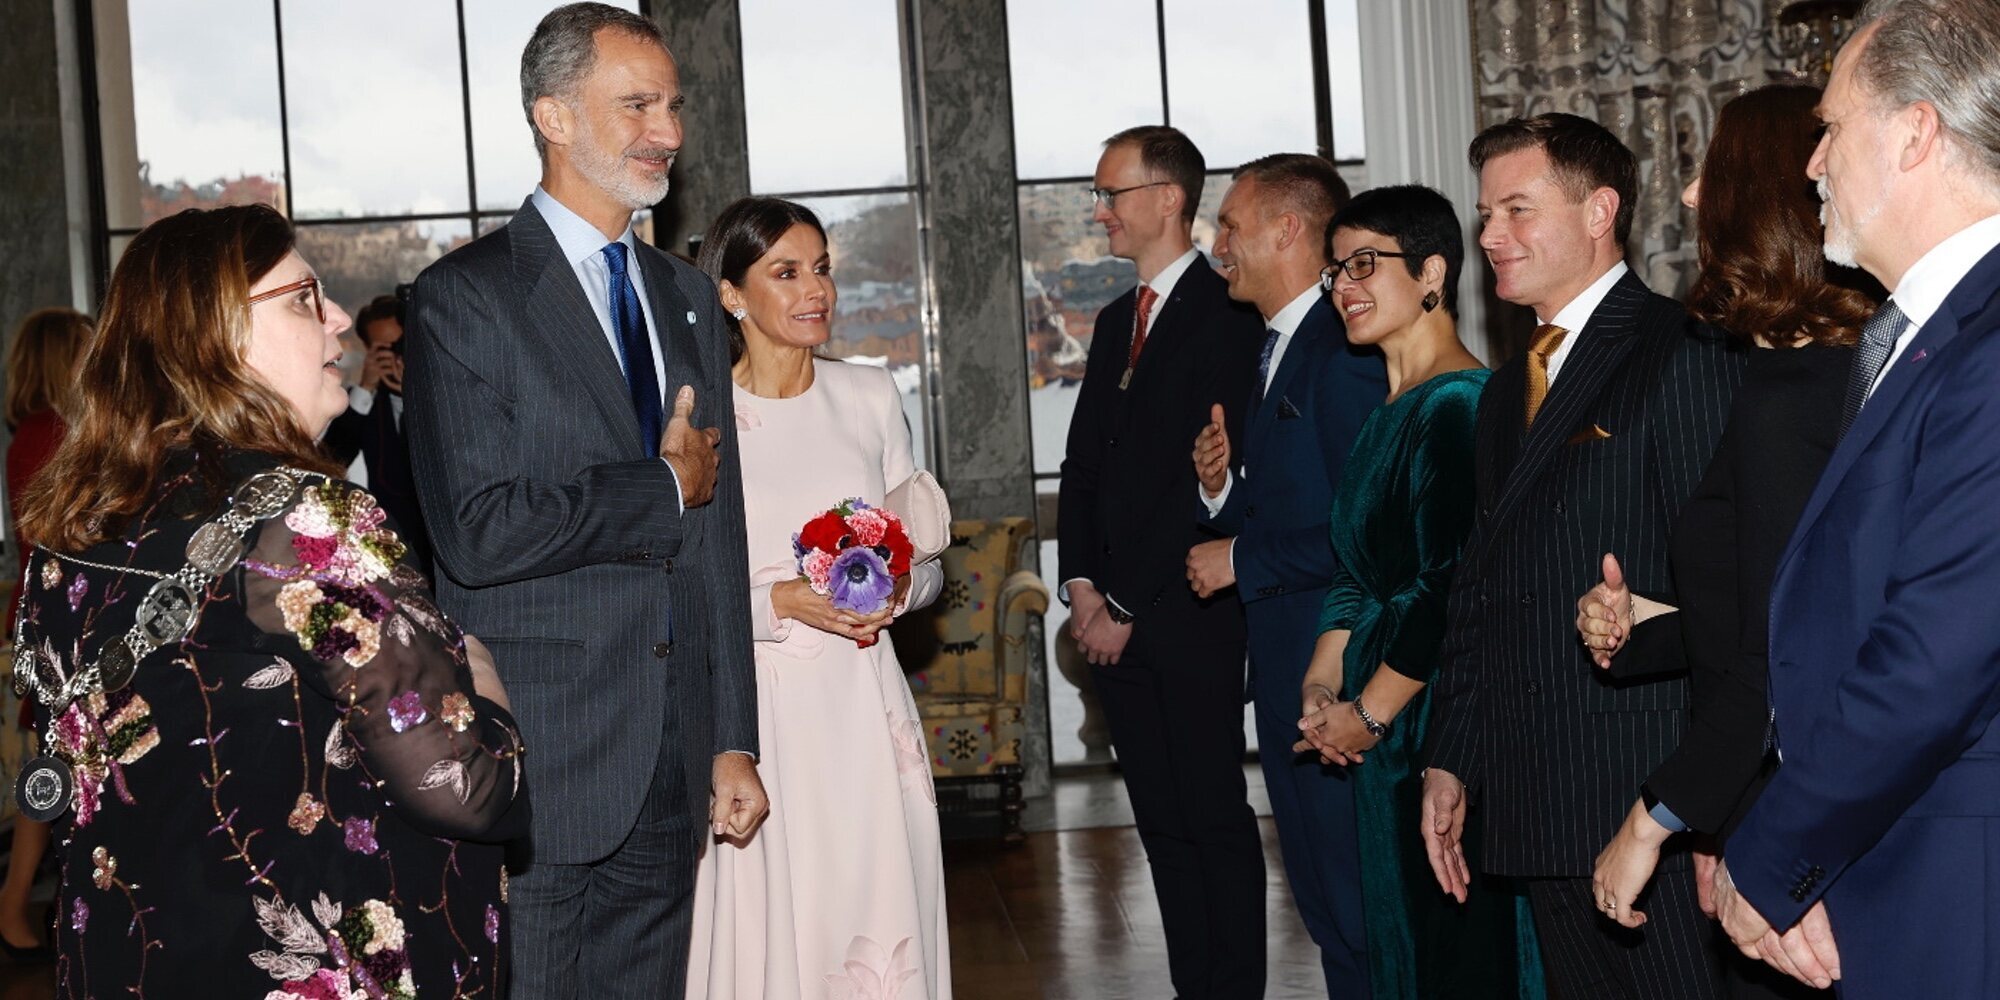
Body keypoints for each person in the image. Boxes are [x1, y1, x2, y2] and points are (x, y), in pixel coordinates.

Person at [7, 203, 523, 995]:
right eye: (302, 298)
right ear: (215, 336)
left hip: (127, 964)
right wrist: (482, 680)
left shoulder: (70, 530)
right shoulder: (301, 521)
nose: (340, 319)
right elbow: (464, 787)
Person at [400, 5, 766, 995]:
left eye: (673, 106)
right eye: (638, 104)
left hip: (674, 748)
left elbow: (715, 537)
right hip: (543, 752)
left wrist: (731, 735)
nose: (670, 132)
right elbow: (476, 532)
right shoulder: (462, 298)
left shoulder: (684, 294)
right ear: (553, 117)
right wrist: (657, 484)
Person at [1705, 2, 2000, 994]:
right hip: (1896, 853)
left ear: (1913, 131)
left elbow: (1934, 654)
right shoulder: (1929, 330)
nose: (1808, 165)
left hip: (1957, 881)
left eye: (1827, 128)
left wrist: (1770, 854)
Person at [1418, 113, 1741, 999]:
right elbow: (1481, 588)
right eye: (1485, 214)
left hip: (1649, 806)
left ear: (1601, 210)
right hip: (1536, 795)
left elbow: (1733, 599)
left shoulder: (1684, 350)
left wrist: (1710, 820)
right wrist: (1453, 755)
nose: (1490, 236)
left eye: (1517, 210)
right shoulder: (1499, 395)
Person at [1572, 83, 1875, 1000]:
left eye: (1712, 172)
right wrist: (1639, 634)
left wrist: (1652, 821)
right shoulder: (1810, 371)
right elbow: (1783, 602)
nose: (1695, 197)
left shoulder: (1793, 394)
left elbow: (1781, 653)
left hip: (1801, 814)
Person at [683, 196, 950, 998]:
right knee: (773, 920)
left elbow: (926, 560)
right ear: (731, 294)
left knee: (874, 904)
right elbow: (683, 585)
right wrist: (785, 601)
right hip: (756, 711)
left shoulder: (870, 396)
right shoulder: (701, 419)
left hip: (865, 705)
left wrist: (898, 591)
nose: (817, 290)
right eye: (787, 272)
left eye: (824, 269)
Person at [1294, 185, 1546, 1000]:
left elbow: (1446, 584)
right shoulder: (1385, 414)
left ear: (1433, 271)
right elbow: (1353, 579)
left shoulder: (1458, 404)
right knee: (1403, 944)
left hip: (1437, 722)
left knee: (1456, 950)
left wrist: (1367, 714)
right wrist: (1320, 683)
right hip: (1383, 721)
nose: (1344, 286)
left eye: (1365, 263)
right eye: (1335, 270)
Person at [1056, 125, 1266, 998]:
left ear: (1170, 198)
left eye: (1113, 194)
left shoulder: (1229, 312)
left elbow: (1206, 480)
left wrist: (1128, 603)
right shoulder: (1112, 323)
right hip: (1113, 621)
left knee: (1214, 818)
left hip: (1190, 617)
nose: (1099, 211)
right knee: (1162, 827)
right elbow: (1084, 469)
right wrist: (1081, 589)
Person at [1187, 152, 1386, 998]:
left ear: (1287, 230)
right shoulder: (1281, 344)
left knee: (1357, 906)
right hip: (1287, 673)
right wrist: (1223, 488)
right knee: (1327, 907)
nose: (1219, 244)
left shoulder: (1341, 352)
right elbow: (1290, 500)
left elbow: (1370, 529)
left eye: (1230, 225)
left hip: (1334, 678)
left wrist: (1239, 558)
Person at [0, 306, 93, 962]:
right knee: (62, 764)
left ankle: (24, 907)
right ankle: (20, 908)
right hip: (64, 618)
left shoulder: (38, 431)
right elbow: (63, 536)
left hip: (59, 615)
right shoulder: (51, 433)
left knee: (58, 762)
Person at [322, 294, 430, 574]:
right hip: (390, 550)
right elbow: (331, 459)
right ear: (370, 351)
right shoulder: (361, 404)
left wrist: (417, 391)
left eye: (401, 346)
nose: (397, 357)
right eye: (385, 349)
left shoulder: (441, 397)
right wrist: (365, 386)